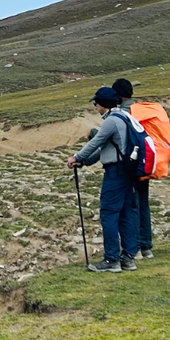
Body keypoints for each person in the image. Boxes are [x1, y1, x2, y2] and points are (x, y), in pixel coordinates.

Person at [67, 86, 140, 273]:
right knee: (124, 213)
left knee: (108, 213)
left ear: (102, 104)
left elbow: (96, 142)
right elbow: (105, 149)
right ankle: (128, 257)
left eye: (96, 103)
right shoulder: (123, 118)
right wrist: (84, 162)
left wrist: (76, 157)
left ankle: (111, 259)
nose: (95, 106)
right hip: (126, 170)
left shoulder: (111, 121)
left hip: (115, 171)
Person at [112, 78, 156, 259]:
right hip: (146, 163)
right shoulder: (141, 110)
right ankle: (146, 247)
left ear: (118, 96)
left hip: (129, 165)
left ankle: (134, 247)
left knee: (131, 206)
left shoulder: (122, 113)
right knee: (143, 204)